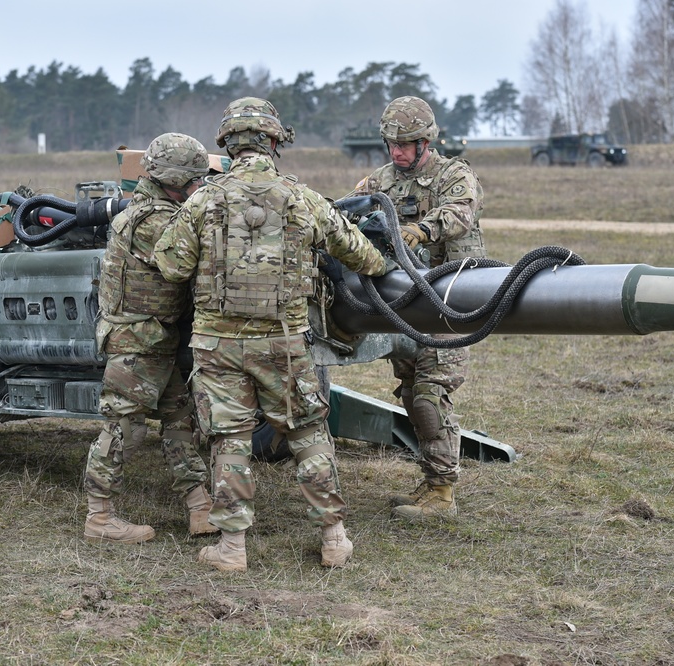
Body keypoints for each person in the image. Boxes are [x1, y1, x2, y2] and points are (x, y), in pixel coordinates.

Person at [153, 97, 391, 572]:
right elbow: (365, 256)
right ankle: (334, 538)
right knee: (306, 432)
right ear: (274, 140)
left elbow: (169, 264)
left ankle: (232, 548)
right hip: (284, 342)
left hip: (218, 345)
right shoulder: (302, 197)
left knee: (230, 439)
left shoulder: (205, 198)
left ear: (227, 143)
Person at [347, 95, 487, 521]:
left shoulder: (453, 174)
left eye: (406, 144)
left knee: (429, 393)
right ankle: (431, 481)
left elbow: (459, 213)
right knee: (410, 391)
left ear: (427, 141)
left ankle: (442, 494)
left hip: (452, 302)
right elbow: (349, 213)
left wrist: (419, 231)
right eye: (391, 143)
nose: (397, 152)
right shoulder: (380, 180)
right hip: (405, 305)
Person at [83, 132, 217, 544]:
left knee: (179, 421)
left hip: (156, 340)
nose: (199, 187)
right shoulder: (151, 221)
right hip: (135, 342)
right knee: (124, 428)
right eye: (194, 180)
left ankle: (200, 506)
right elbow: (193, 260)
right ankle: (99, 518)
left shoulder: (158, 210)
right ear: (173, 179)